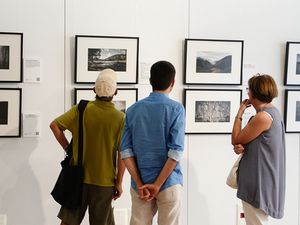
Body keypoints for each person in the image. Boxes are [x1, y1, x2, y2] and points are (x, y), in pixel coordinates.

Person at [50, 68, 125, 225]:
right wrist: (119, 182)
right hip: (104, 182)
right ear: (116, 92)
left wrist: (68, 148)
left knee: (68, 223)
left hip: (77, 176)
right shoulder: (120, 118)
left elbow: (54, 126)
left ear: (93, 89)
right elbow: (122, 154)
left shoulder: (81, 109)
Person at [120, 60, 185, 225]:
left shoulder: (133, 110)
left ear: (150, 81)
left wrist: (141, 183)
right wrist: (157, 185)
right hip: (169, 182)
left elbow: (126, 151)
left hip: (140, 185)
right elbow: (176, 152)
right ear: (173, 82)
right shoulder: (176, 109)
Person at [231, 74, 286, 225]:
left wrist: (240, 111)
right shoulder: (270, 114)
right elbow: (245, 143)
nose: (247, 93)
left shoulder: (263, 117)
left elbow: (235, 139)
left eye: (249, 89)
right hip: (261, 179)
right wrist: (242, 147)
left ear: (254, 93)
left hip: (259, 182)